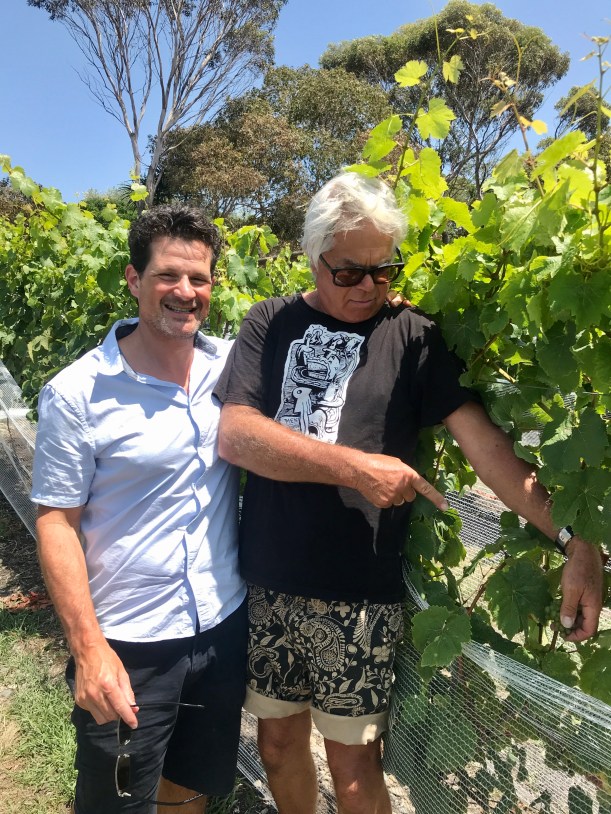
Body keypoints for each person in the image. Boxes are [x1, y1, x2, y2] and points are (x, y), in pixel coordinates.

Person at [213, 172, 605, 814]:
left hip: (360, 595)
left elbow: (487, 450)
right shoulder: (270, 322)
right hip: (266, 584)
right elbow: (237, 436)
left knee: (355, 769)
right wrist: (357, 469)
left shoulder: (413, 336)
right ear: (315, 259)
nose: (369, 287)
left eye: (383, 270)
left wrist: (571, 537)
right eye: (349, 272)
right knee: (277, 746)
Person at [31, 205, 247, 814]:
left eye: (199, 278)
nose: (186, 291)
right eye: (167, 276)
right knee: (117, 802)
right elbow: (56, 523)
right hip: (128, 642)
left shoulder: (231, 367)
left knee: (190, 789)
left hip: (221, 626)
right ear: (133, 279)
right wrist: (88, 650)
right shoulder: (79, 393)